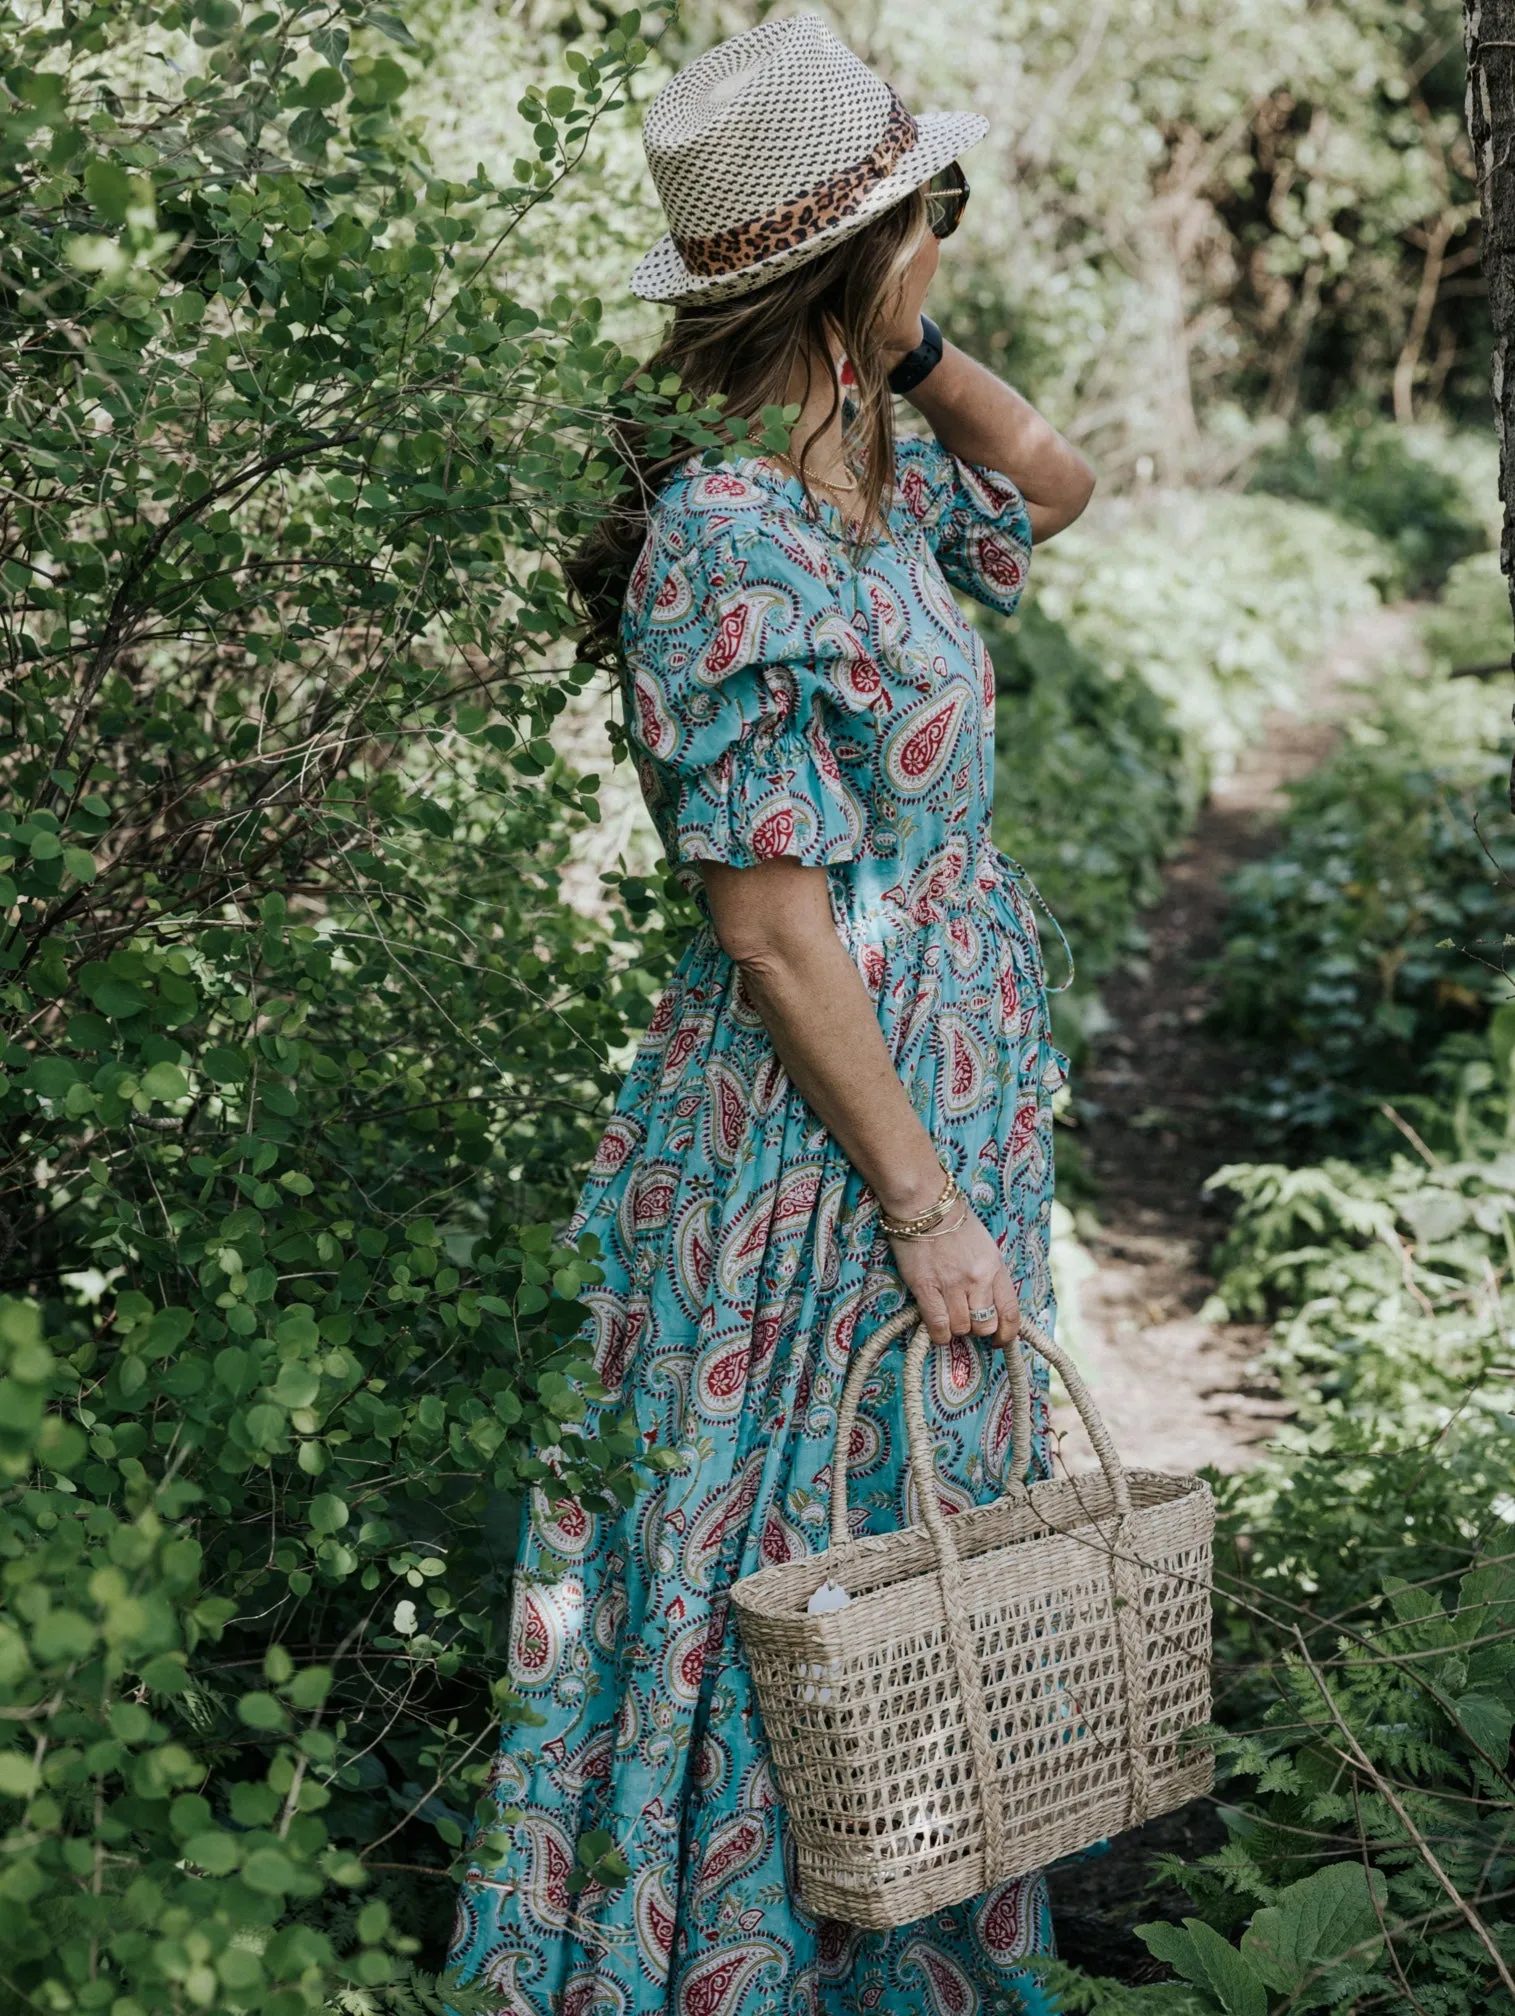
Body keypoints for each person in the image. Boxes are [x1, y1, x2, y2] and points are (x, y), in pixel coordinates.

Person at [448, 13, 1096, 2013]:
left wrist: (895, 346)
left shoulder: (880, 494)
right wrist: (921, 1203)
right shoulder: (731, 535)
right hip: (827, 1147)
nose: (950, 251)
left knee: (912, 1555)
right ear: (873, 254)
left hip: (944, 1103)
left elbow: (1055, 482)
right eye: (930, 224)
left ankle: (898, 1960)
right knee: (790, 1559)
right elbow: (775, 929)